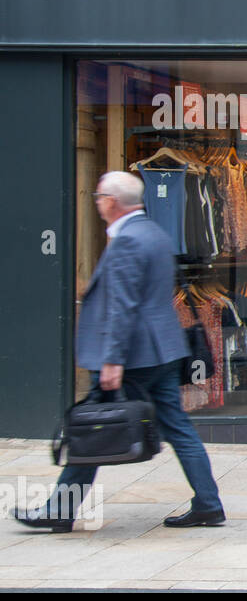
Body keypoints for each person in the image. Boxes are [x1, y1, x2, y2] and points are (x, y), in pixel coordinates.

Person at [14, 172, 225, 532]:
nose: (97, 202)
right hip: (163, 350)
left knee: (93, 427)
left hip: (134, 356)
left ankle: (58, 510)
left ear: (111, 201)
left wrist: (112, 359)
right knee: (178, 427)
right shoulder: (156, 234)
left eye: (99, 196)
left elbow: (123, 305)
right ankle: (208, 503)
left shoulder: (127, 240)